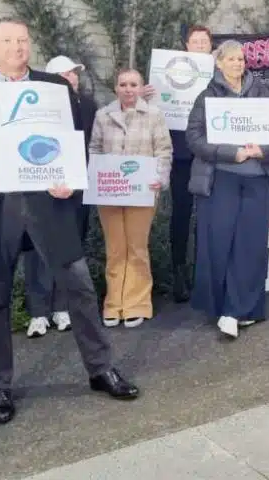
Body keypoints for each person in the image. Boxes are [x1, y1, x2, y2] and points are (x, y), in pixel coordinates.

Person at [0, 17, 139, 426]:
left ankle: (101, 369)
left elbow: (76, 142)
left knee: (79, 288)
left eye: (23, 40)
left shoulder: (55, 87)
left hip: (49, 206)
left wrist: (70, 179)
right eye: (8, 40)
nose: (17, 47)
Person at [185, 39, 269, 338]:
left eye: (241, 59)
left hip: (256, 178)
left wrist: (261, 149)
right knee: (220, 243)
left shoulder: (262, 92)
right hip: (221, 179)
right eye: (231, 59)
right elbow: (194, 138)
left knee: (251, 245)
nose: (238, 64)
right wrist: (232, 153)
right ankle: (224, 308)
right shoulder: (206, 96)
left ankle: (245, 309)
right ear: (219, 63)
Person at [21, 55, 99, 338]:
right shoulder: (38, 108)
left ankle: (62, 308)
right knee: (38, 253)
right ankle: (38, 312)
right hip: (40, 188)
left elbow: (93, 146)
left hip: (75, 188)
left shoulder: (88, 106)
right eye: (65, 74)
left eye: (74, 73)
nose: (72, 78)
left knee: (71, 249)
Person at [90, 69, 172, 328]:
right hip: (110, 192)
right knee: (115, 249)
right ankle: (114, 304)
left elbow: (163, 150)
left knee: (137, 248)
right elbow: (94, 149)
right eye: (123, 84)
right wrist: (95, 175)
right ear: (116, 88)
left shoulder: (154, 115)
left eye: (133, 84)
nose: (128, 89)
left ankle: (137, 303)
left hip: (142, 190)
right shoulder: (102, 115)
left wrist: (161, 177)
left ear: (140, 88)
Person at [143, 25, 214, 303]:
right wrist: (149, 96)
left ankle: (204, 274)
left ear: (210, 46)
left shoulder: (218, 75)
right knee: (181, 214)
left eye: (204, 41)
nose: (199, 45)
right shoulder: (167, 74)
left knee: (208, 216)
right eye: (194, 41)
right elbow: (152, 110)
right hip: (182, 153)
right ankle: (179, 275)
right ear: (186, 46)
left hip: (210, 153)